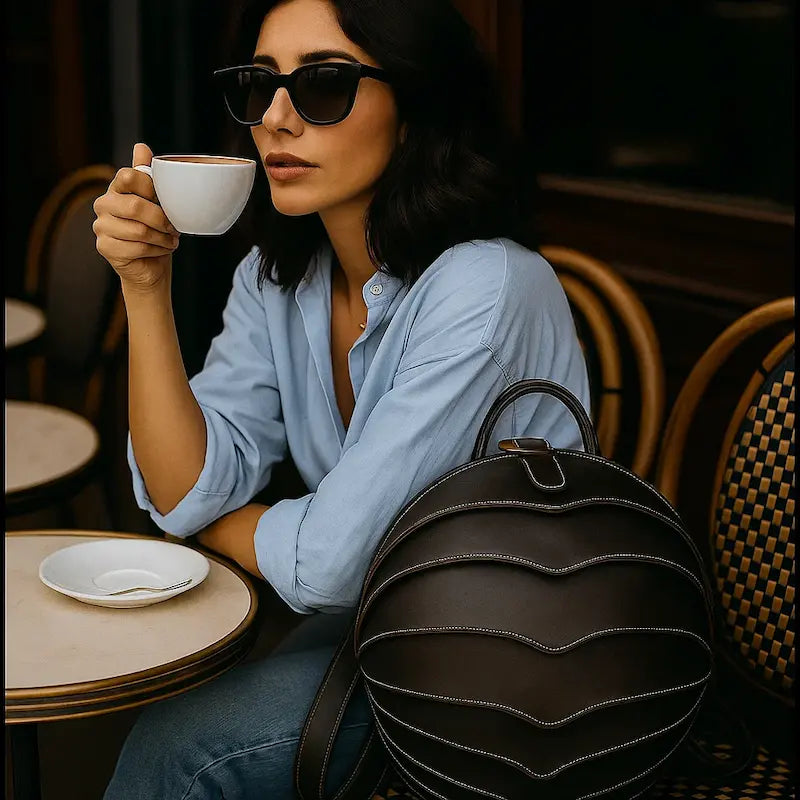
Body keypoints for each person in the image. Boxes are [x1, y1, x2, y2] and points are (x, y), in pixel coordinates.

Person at [93, 0, 589, 796]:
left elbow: (325, 565)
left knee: (179, 746)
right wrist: (145, 288)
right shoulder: (278, 275)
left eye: (324, 84)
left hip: (511, 669)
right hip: (385, 631)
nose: (278, 119)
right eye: (259, 86)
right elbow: (175, 484)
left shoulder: (485, 286)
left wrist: (219, 518)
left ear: (418, 103)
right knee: (177, 695)